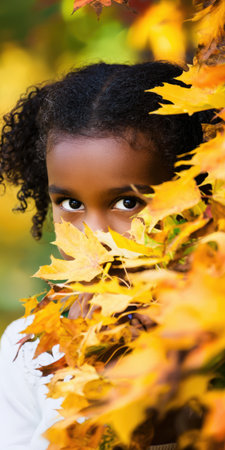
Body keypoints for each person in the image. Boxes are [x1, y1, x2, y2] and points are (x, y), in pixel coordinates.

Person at [0, 61, 205, 450]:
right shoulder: (27, 351)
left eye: (128, 202)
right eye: (71, 204)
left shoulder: (211, 344)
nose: (95, 237)